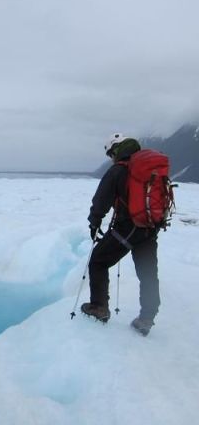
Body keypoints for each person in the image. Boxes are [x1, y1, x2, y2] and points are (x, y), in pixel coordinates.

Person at [81, 133, 161, 336]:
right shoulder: (150, 169)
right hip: (150, 228)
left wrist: (94, 222)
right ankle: (147, 318)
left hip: (128, 229)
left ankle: (99, 308)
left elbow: (101, 200)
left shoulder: (118, 170)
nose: (111, 158)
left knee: (98, 261)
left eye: (111, 154)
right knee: (148, 273)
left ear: (116, 150)